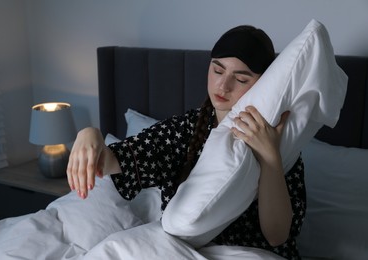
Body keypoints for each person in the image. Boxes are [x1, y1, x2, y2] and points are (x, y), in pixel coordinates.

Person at [67, 25, 306, 260]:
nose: (223, 86)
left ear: (263, 84)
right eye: (217, 70)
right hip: (179, 250)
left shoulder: (282, 140)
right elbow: (116, 161)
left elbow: (277, 236)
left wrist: (270, 158)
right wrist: (89, 134)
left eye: (241, 79)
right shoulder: (186, 129)